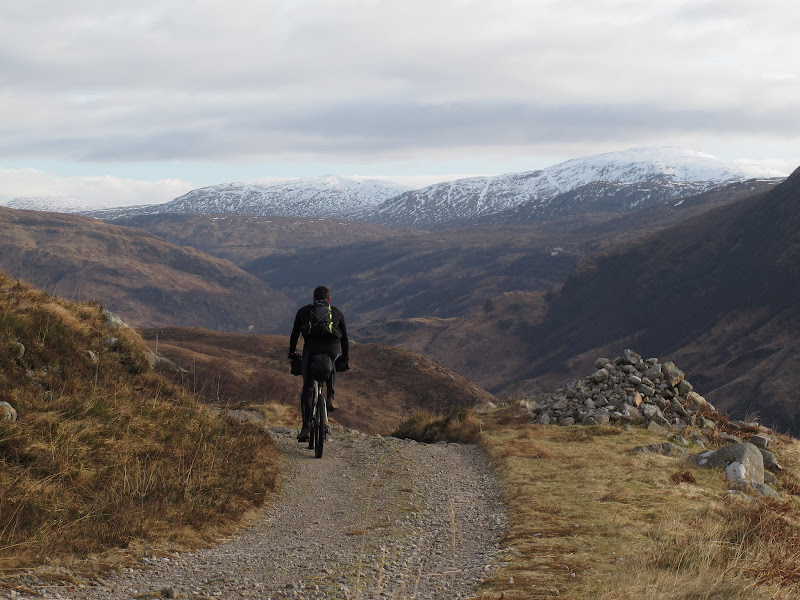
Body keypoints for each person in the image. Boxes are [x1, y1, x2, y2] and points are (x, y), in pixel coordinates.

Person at [289, 285, 349, 442]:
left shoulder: (303, 311)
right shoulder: (336, 312)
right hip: (332, 347)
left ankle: (306, 429)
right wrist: (345, 357)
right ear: (329, 299)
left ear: (313, 298)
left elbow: (295, 334)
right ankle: (331, 397)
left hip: (311, 348)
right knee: (332, 362)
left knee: (308, 387)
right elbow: (344, 338)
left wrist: (292, 353)